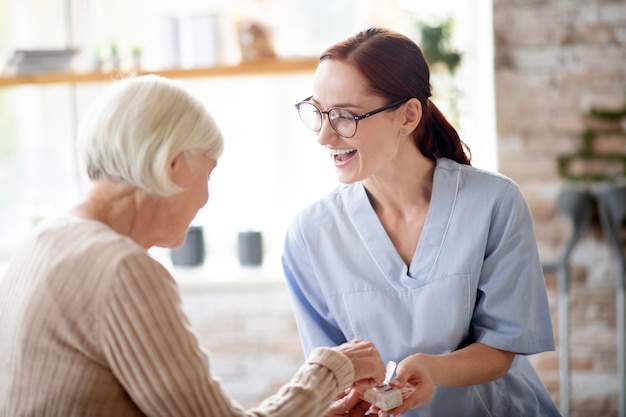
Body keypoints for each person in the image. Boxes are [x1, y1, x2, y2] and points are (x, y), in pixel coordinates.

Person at [0, 74, 387, 417]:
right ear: (171, 165)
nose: (205, 198)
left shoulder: (40, 242)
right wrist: (329, 369)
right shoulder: (121, 269)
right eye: (208, 172)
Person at [282, 27, 561, 417]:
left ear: (408, 115)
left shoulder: (494, 203)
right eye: (318, 112)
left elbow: (503, 345)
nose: (325, 136)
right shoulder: (309, 235)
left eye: (345, 116)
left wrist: (433, 368)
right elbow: (332, 369)